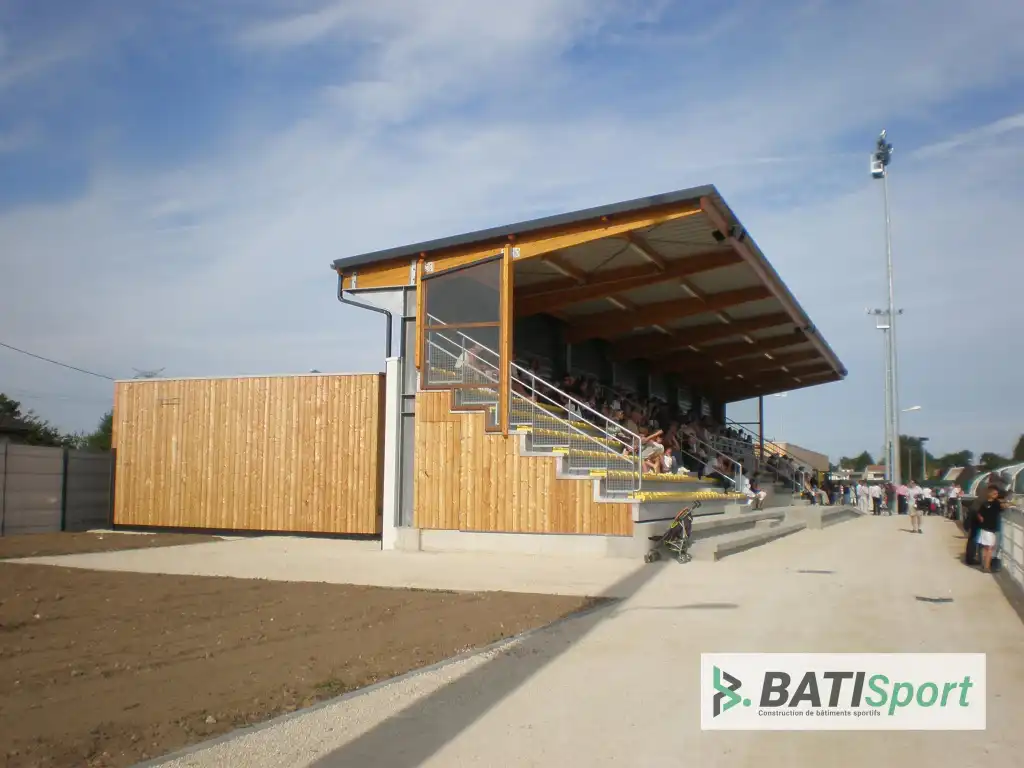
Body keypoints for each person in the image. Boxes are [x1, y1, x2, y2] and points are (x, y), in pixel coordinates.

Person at [975, 485, 1004, 573]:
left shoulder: (986, 503)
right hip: (989, 529)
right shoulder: (995, 503)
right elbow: (1003, 507)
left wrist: (981, 518)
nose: (996, 495)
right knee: (990, 549)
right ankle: (986, 567)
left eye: (997, 494)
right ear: (990, 494)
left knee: (986, 548)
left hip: (986, 529)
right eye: (995, 493)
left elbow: (979, 513)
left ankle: (984, 566)